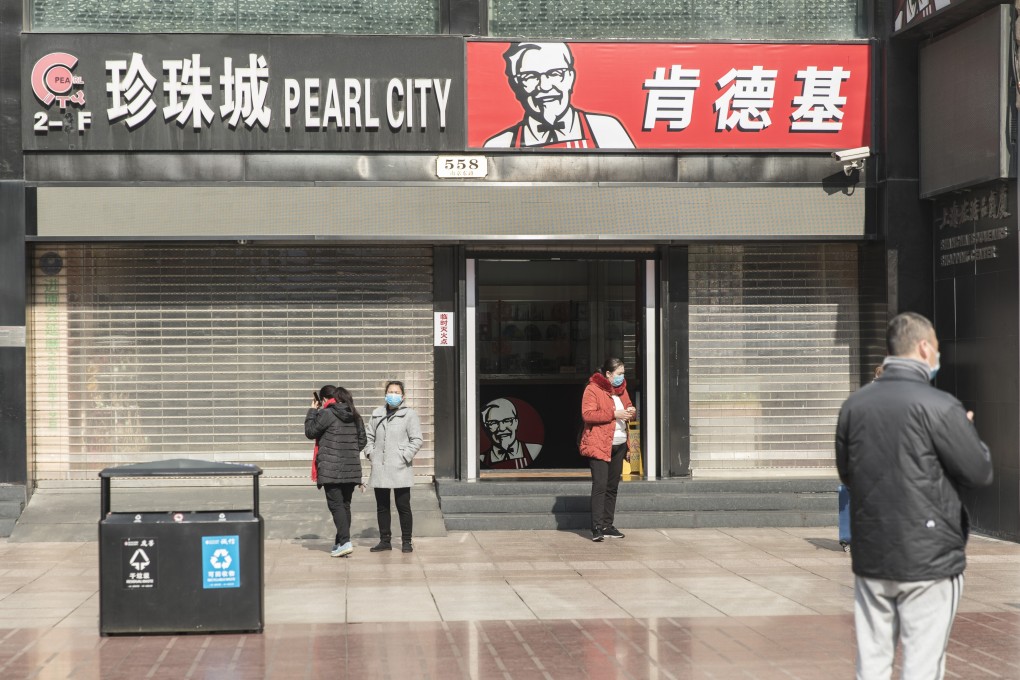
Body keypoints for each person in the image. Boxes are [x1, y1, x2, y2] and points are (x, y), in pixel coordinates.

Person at [835, 312, 993, 680]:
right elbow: (978, 470)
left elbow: (849, 474)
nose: (938, 354)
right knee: (923, 664)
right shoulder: (942, 407)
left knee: (871, 662)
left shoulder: (853, 406)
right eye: (936, 346)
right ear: (924, 347)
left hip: (872, 553)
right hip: (929, 559)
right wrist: (965, 432)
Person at [484, 42, 635, 149]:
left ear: (570, 77)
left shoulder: (605, 129)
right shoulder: (500, 144)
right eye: (530, 76)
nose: (544, 86)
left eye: (555, 74)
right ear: (515, 85)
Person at [305, 385, 367, 558]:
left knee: (336, 505)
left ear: (324, 399)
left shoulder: (326, 414)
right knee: (345, 505)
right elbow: (362, 441)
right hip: (351, 467)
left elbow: (310, 432)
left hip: (330, 468)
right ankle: (340, 542)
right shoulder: (355, 415)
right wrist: (348, 453)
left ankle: (345, 542)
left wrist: (312, 411)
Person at [579, 357, 636, 542]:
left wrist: (630, 410)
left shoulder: (621, 390)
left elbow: (627, 406)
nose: (622, 377)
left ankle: (607, 524)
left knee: (612, 487)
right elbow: (588, 415)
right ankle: (596, 526)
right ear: (608, 374)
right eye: (619, 374)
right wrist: (614, 414)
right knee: (600, 485)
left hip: (619, 443)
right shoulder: (592, 389)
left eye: (623, 374)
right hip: (599, 444)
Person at [365, 380, 423, 553]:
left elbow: (417, 439)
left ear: (403, 396)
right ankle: (385, 540)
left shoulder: (409, 415)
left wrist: (404, 456)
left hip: (400, 467)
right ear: (385, 394)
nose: (393, 394)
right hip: (380, 466)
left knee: (403, 505)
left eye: (397, 392)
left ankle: (406, 541)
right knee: (382, 506)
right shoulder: (377, 414)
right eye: (390, 391)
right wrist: (371, 454)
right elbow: (368, 437)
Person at [480, 397, 543, 469]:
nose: (501, 428)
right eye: (493, 422)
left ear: (516, 423)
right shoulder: (480, 459)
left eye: (507, 420)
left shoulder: (533, 450)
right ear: (486, 426)